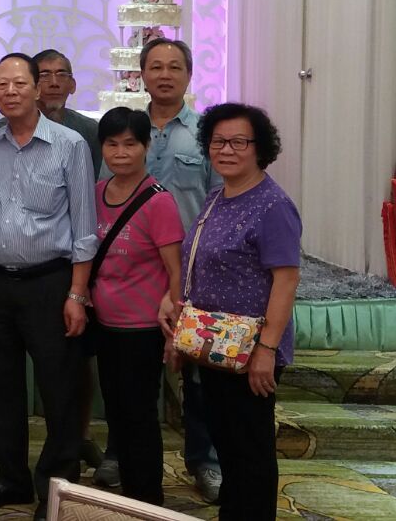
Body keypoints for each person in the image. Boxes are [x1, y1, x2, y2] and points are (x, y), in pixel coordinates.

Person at [0, 54, 97, 519]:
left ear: (37, 88)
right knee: (0, 386)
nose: (10, 92)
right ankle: (12, 479)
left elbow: (84, 225)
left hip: (50, 283)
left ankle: (56, 487)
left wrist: (77, 293)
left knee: (59, 390)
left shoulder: (70, 144)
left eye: (19, 83)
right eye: (1, 85)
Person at [164, 103, 300, 521]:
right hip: (214, 345)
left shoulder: (272, 205)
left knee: (251, 450)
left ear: (260, 148)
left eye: (239, 142)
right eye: (218, 141)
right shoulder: (216, 198)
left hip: (251, 349)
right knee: (227, 444)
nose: (227, 150)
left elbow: (286, 280)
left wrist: (266, 350)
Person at [141, 37, 223, 502]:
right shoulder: (128, 129)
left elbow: (219, 199)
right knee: (132, 369)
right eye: (156, 66)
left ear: (189, 75)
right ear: (142, 75)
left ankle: (204, 460)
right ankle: (121, 451)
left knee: (197, 372)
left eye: (174, 67)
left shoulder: (206, 132)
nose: (165, 75)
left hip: (192, 269)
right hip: (133, 271)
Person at [89, 107, 181, 505]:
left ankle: (147, 499)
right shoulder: (96, 193)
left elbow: (176, 271)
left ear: (146, 146)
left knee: (140, 415)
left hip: (143, 329)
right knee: (116, 413)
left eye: (130, 144)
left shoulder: (159, 201)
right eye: (112, 144)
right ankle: (128, 496)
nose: (121, 153)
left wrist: (173, 330)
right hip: (104, 325)